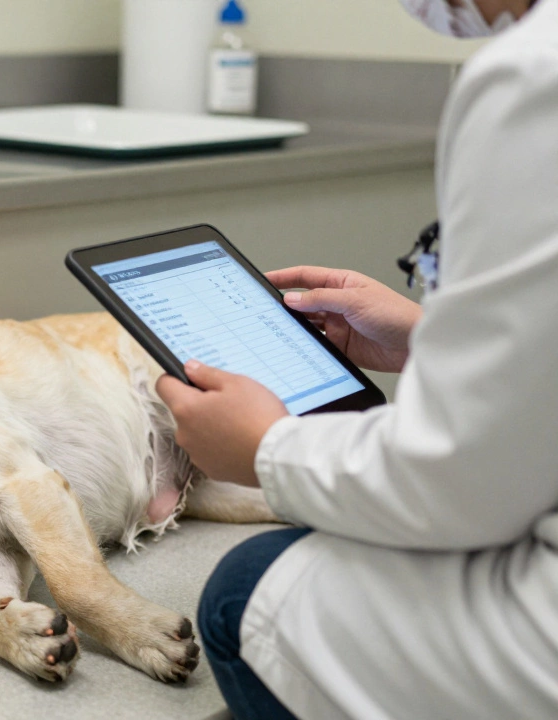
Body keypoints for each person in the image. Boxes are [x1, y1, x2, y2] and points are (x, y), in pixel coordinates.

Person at [154, 1, 558, 718]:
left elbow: (462, 487)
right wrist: (429, 334)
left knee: (247, 588)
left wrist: (268, 449)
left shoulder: (533, 76)